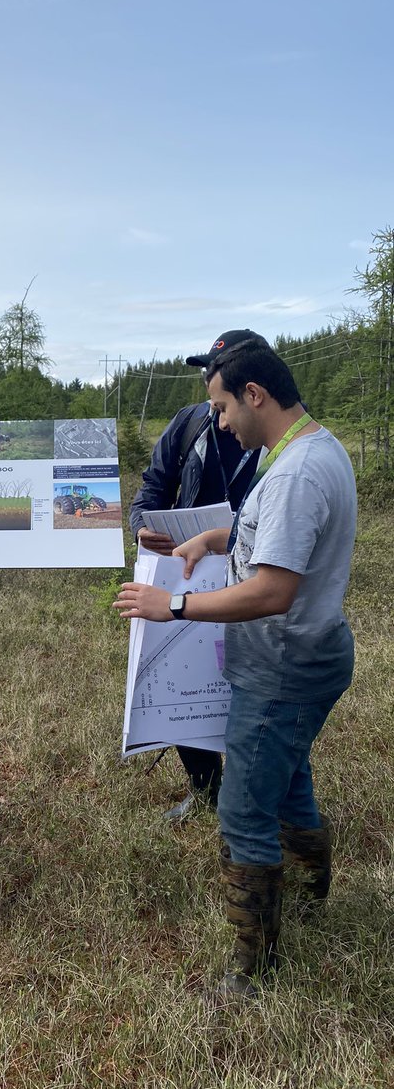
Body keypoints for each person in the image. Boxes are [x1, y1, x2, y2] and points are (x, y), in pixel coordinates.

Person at [114, 330, 356, 1000]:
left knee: (245, 811)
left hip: (283, 667)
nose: (217, 422)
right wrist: (220, 536)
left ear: (255, 394)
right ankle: (310, 900)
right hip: (312, 653)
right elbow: (274, 542)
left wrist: (176, 606)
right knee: (290, 783)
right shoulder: (313, 448)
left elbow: (274, 590)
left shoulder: (295, 474)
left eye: (222, 407)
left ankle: (253, 971)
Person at [129, 341, 260, 822]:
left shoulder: (277, 437)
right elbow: (151, 487)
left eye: (219, 376)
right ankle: (205, 788)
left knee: (250, 684)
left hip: (251, 573)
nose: (216, 408)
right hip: (185, 572)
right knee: (185, 678)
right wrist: (142, 525)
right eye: (208, 374)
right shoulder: (188, 424)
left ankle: (254, 792)